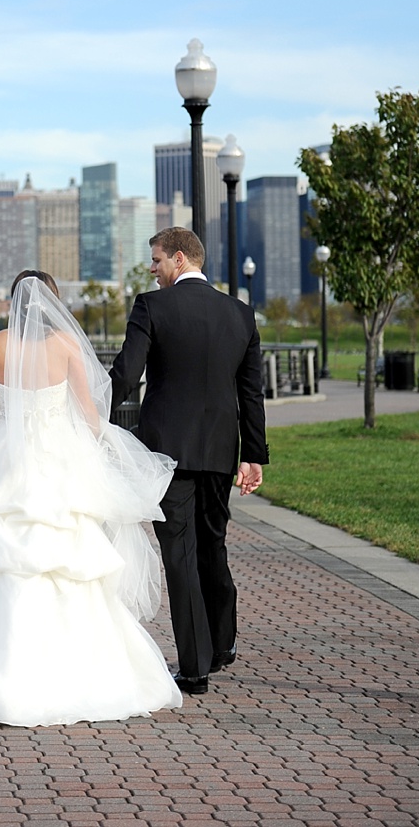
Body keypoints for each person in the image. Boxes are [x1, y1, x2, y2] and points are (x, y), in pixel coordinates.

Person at [0, 270, 184, 727]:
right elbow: (88, 413)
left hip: (10, 467)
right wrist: (99, 457)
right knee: (71, 566)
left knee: (8, 565)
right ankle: (80, 675)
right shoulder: (66, 346)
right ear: (53, 304)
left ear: (13, 303)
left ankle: (2, 681)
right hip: (60, 465)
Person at [109, 226, 267, 695]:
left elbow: (127, 374)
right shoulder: (241, 315)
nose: (152, 269)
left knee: (179, 555)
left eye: (156, 260)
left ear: (179, 258)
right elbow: (250, 393)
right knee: (212, 546)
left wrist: (89, 411)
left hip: (167, 453)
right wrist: (253, 456)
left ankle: (195, 668)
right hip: (221, 450)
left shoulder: (151, 307)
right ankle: (223, 643)